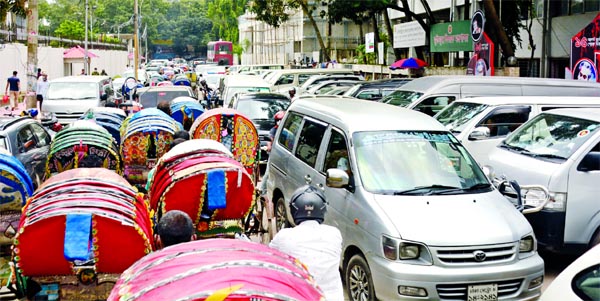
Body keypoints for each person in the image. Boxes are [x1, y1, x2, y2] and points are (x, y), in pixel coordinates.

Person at [269, 185, 343, 301]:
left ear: (294, 209)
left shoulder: (283, 236)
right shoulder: (334, 234)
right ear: (322, 209)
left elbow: (269, 256)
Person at [260, 111, 285, 195]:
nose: (279, 122)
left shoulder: (286, 132)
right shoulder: (273, 130)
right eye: (278, 120)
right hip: (274, 155)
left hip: (284, 156)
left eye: (281, 120)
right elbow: (269, 142)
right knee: (268, 173)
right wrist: (269, 147)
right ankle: (262, 190)